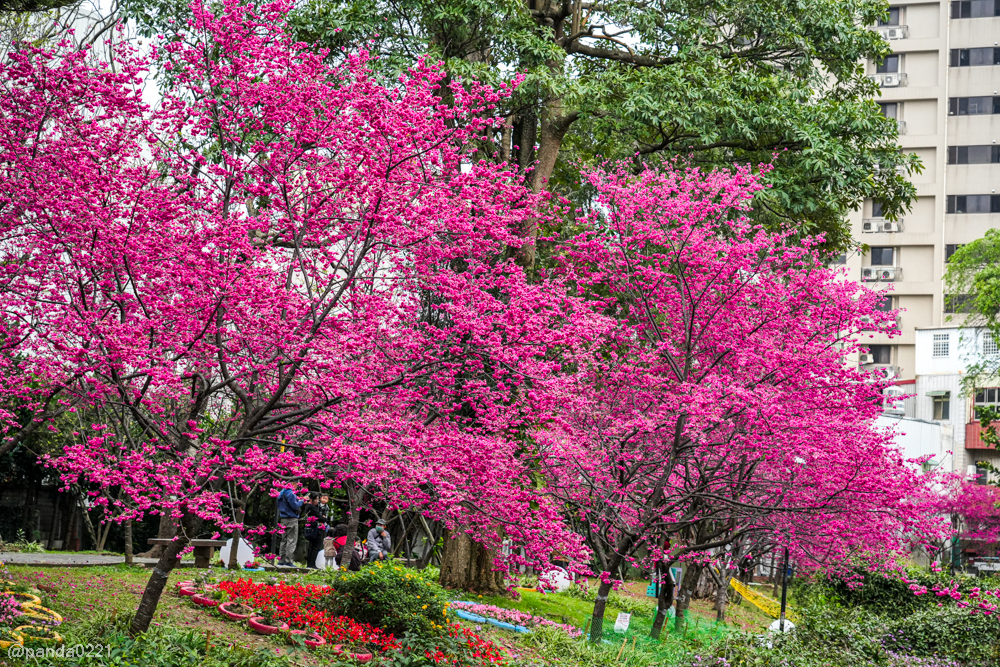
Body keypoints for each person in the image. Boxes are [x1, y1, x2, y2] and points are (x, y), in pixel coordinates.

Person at [276, 487, 305, 567]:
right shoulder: (290, 492)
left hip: (283, 518)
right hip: (291, 518)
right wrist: (302, 501)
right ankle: (288, 561)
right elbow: (295, 505)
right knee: (291, 540)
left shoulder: (281, 492)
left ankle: (281, 560)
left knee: (284, 540)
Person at [302, 493, 330, 569]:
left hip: (312, 528)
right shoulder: (312, 507)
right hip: (316, 529)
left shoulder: (309, 506)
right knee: (316, 546)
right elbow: (321, 518)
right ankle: (311, 564)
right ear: (311, 499)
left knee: (312, 546)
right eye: (316, 499)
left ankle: (310, 563)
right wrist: (323, 518)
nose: (317, 501)